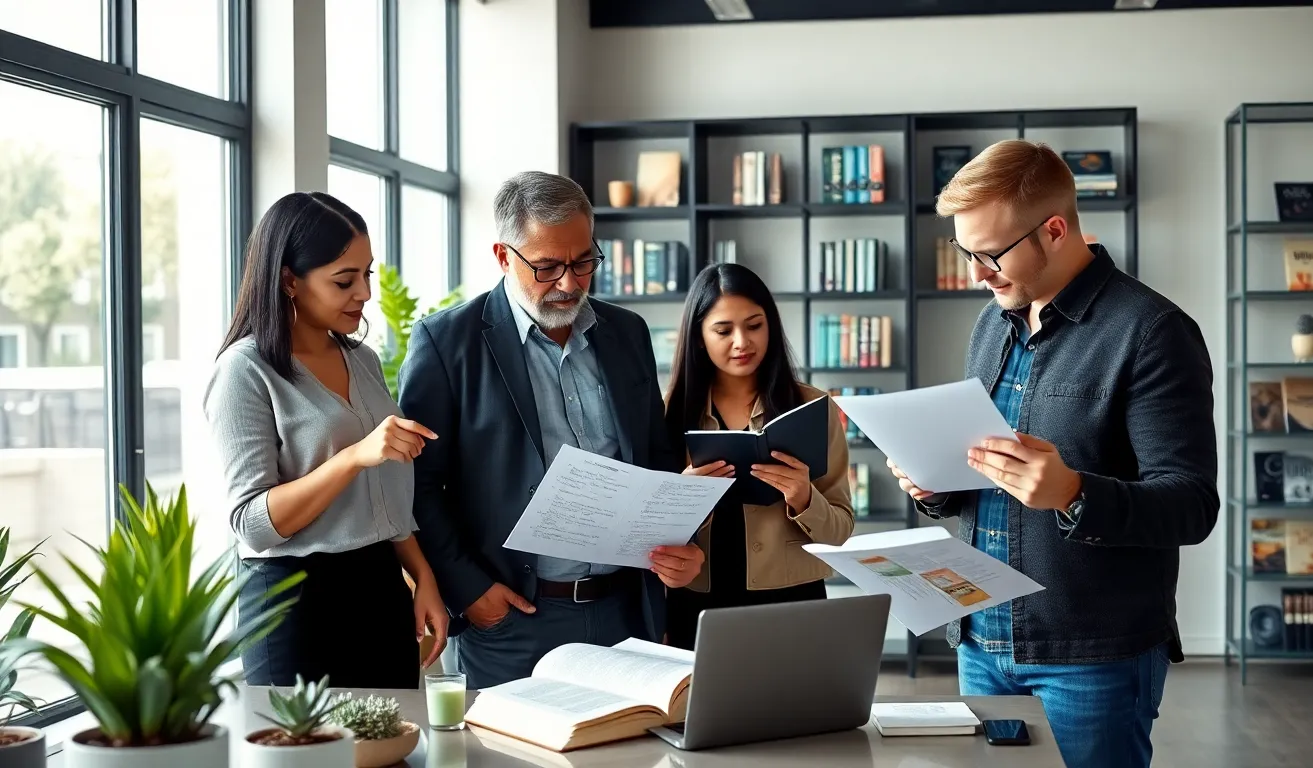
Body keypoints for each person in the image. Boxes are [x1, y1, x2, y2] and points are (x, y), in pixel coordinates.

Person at [886, 140, 1218, 768]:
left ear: (1056, 229)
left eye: (989, 254)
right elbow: (986, 479)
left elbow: (1193, 506)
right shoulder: (993, 322)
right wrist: (936, 488)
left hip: (1093, 658)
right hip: (980, 640)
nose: (976, 273)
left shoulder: (1152, 332)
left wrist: (1074, 493)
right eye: (967, 252)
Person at [399, 171, 705, 689]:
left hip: (626, 611)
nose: (569, 283)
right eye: (547, 267)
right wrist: (472, 592)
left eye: (584, 261)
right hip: (514, 617)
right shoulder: (446, 343)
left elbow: (657, 459)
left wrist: (682, 544)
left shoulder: (626, 333)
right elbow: (417, 485)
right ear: (503, 256)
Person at [204, 191, 450, 689]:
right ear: (288, 280)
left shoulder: (361, 359)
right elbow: (252, 524)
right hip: (293, 604)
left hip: (378, 587)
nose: (364, 293)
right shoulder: (244, 371)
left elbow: (385, 499)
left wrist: (423, 576)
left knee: (391, 751)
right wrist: (355, 457)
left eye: (367, 275)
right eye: (344, 280)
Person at [662, 263, 855, 650]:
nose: (741, 342)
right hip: (696, 603)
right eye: (723, 330)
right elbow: (644, 534)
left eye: (754, 325)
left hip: (793, 605)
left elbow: (841, 533)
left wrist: (804, 498)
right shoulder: (667, 414)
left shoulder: (812, 407)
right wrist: (678, 498)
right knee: (701, 712)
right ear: (699, 337)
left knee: (794, 711)